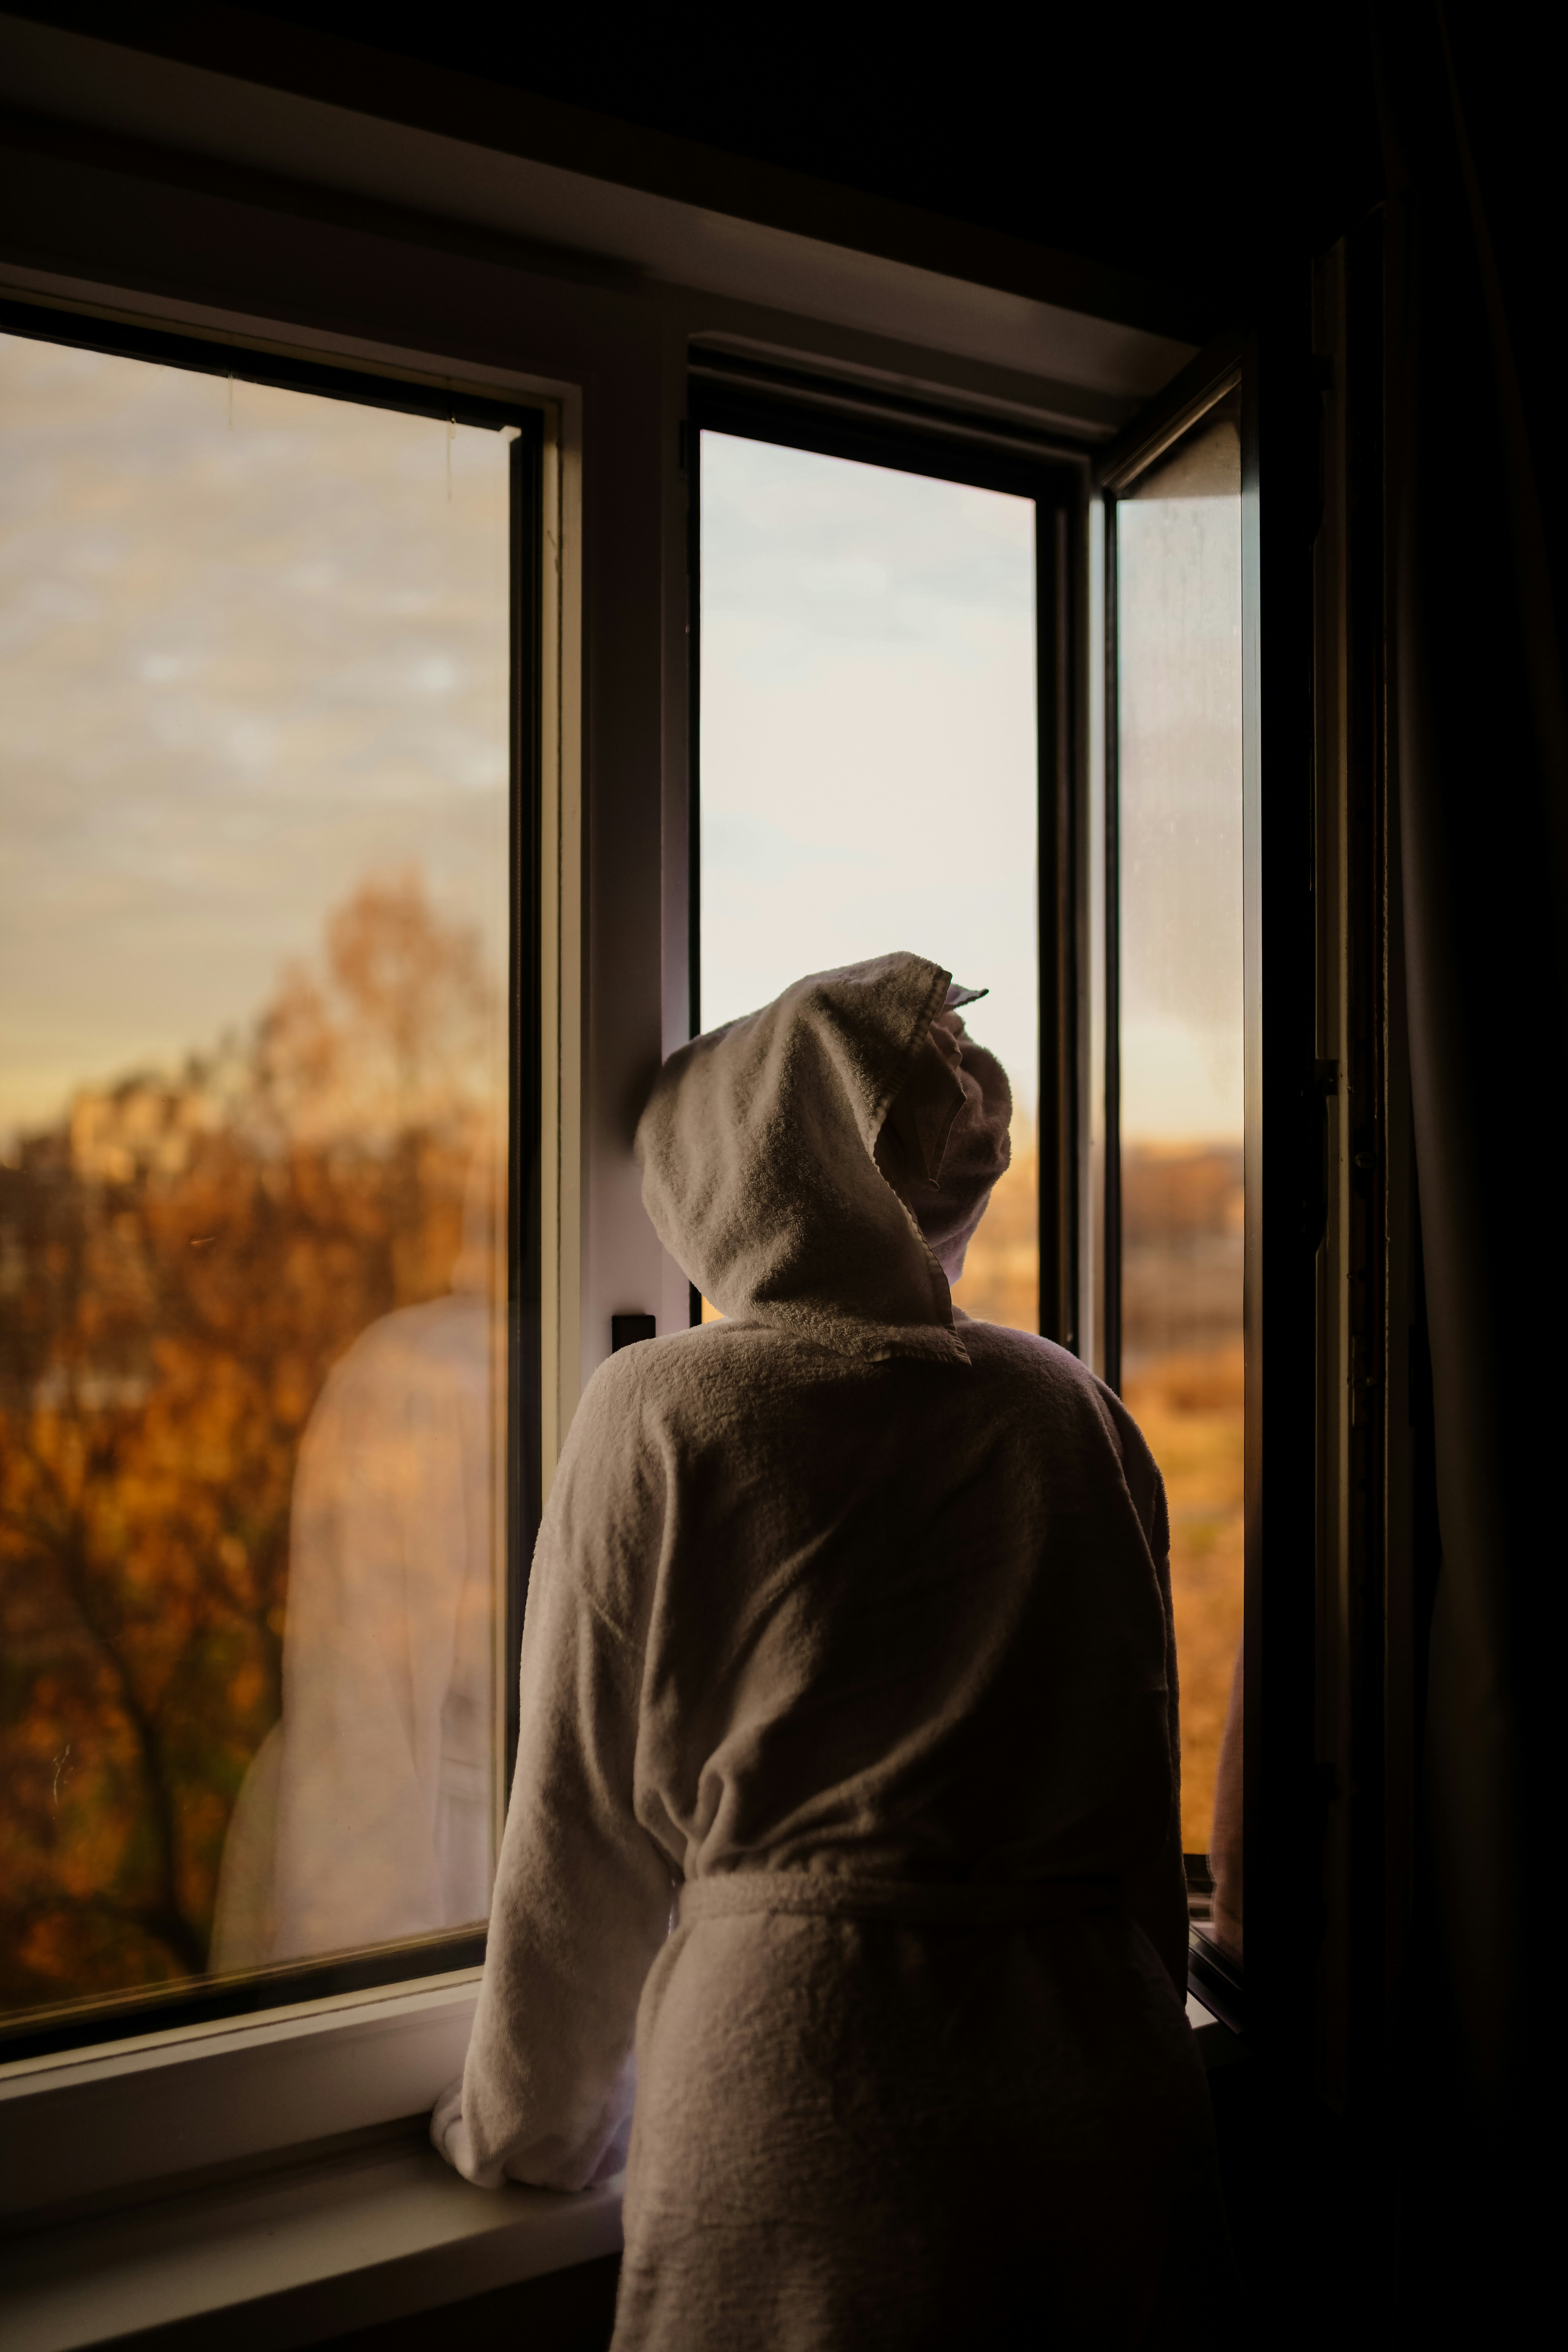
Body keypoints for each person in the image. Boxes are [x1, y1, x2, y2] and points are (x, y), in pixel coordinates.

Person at [432, 952, 1224, 2347]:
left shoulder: (661, 1410)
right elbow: (1131, 1794)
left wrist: (527, 2132)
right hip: (1102, 2101)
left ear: (720, 1187)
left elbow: (580, 1831)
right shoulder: (1071, 1410)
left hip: (803, 2106)